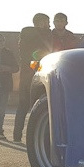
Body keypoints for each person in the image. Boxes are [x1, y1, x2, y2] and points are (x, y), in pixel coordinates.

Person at [13, 13, 52, 143]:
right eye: (46, 21)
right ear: (39, 22)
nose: (49, 24)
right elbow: (26, 55)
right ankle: (20, 135)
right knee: (27, 104)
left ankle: (21, 136)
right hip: (31, 73)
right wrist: (38, 63)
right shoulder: (30, 35)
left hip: (38, 72)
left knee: (30, 105)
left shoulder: (48, 34)